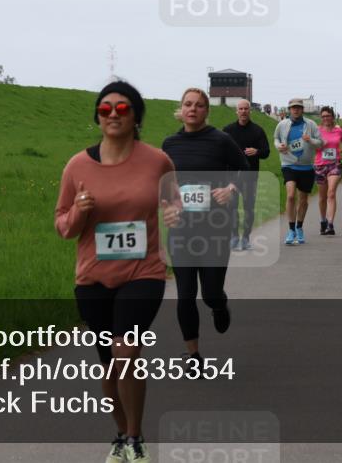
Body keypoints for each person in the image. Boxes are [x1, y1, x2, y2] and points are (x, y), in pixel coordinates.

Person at [54, 81, 180, 463]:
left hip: (144, 272)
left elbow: (173, 201)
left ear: (136, 116)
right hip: (93, 278)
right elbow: (63, 227)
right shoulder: (78, 165)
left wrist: (175, 214)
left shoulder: (158, 161)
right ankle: (121, 434)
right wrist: (80, 210)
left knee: (126, 351)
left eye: (122, 109)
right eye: (105, 108)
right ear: (97, 115)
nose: (112, 114)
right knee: (110, 362)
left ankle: (136, 438)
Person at [162, 88, 249, 363]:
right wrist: (168, 206)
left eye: (199, 105)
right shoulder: (169, 144)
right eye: (188, 104)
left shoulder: (220, 140)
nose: (193, 109)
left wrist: (231, 189)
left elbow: (245, 169)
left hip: (214, 228)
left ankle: (219, 305)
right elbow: (164, 183)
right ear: (181, 108)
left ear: (206, 111)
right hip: (182, 230)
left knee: (209, 293)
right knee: (185, 295)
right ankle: (193, 355)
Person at [273, 98, 324, 245]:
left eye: (298, 108)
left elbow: (320, 143)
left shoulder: (311, 125)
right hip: (288, 164)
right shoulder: (282, 124)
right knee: (290, 196)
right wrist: (279, 146)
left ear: (302, 109)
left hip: (307, 166)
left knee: (303, 199)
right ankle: (291, 230)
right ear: (289, 109)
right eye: (293, 108)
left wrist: (310, 141)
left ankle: (299, 227)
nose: (296, 110)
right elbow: (276, 138)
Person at [222, 99, 271, 251]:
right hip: (231, 177)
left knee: (249, 207)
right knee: (232, 207)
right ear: (236, 111)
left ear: (250, 111)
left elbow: (266, 152)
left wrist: (257, 151)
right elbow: (220, 151)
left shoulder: (258, 131)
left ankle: (246, 238)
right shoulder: (228, 130)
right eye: (240, 109)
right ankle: (234, 236)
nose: (243, 111)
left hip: (250, 176)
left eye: (246, 109)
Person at [314, 106, 342, 235]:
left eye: (328, 116)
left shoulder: (338, 131)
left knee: (331, 192)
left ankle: (330, 224)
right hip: (320, 165)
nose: (325, 118)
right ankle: (323, 221)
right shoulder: (317, 131)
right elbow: (311, 143)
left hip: (335, 164)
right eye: (323, 116)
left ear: (332, 117)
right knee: (322, 197)